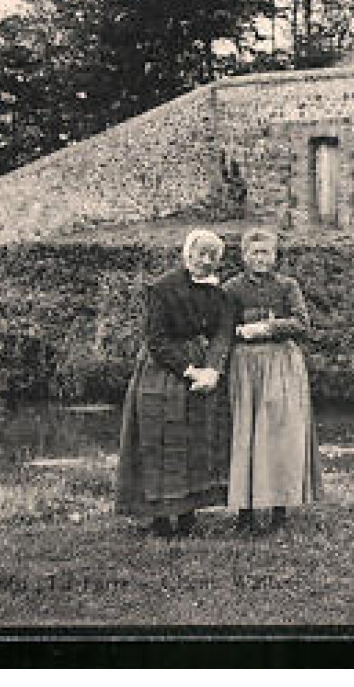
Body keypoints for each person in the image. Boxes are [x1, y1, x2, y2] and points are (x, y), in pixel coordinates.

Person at [115, 229, 237, 537]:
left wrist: (212, 370)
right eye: (200, 254)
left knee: (196, 437)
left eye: (213, 257)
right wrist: (190, 370)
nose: (205, 261)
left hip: (201, 368)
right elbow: (156, 340)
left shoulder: (219, 294)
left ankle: (187, 513)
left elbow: (223, 334)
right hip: (163, 370)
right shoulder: (162, 288)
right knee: (159, 439)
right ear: (187, 254)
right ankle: (158, 517)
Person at [224, 229, 323, 533]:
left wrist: (267, 327)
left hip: (282, 364)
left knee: (281, 435)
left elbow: (302, 323)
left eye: (266, 252)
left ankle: (280, 512)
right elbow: (223, 329)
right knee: (246, 434)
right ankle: (246, 514)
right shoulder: (231, 289)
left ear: (275, 255)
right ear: (243, 256)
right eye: (254, 253)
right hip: (245, 366)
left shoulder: (287, 286)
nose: (260, 258)